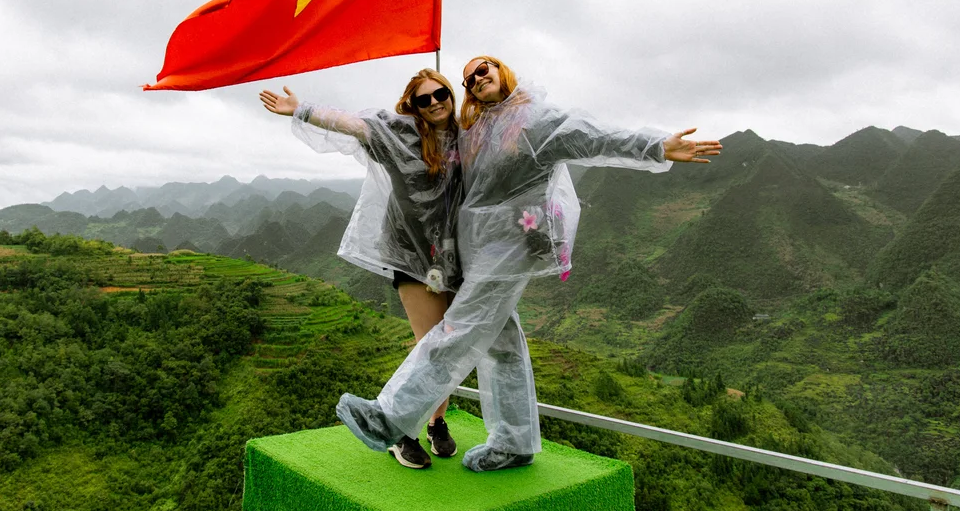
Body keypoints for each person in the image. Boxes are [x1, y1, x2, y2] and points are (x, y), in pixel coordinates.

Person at [335, 55, 723, 472]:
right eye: (467, 80)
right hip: (481, 250)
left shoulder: (534, 118)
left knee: (457, 328)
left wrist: (656, 146)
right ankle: (514, 441)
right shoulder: (480, 125)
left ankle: (389, 417)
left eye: (483, 69)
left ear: (502, 70)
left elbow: (593, 137)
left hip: (509, 248)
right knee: (502, 345)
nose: (476, 79)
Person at [259, 68, 465, 469]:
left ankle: (436, 423)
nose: (435, 102)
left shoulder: (464, 136)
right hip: (410, 254)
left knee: (452, 348)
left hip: (454, 258)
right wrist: (301, 109)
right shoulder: (401, 135)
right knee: (432, 348)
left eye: (441, 93)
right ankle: (401, 430)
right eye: (424, 99)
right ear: (413, 105)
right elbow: (354, 125)